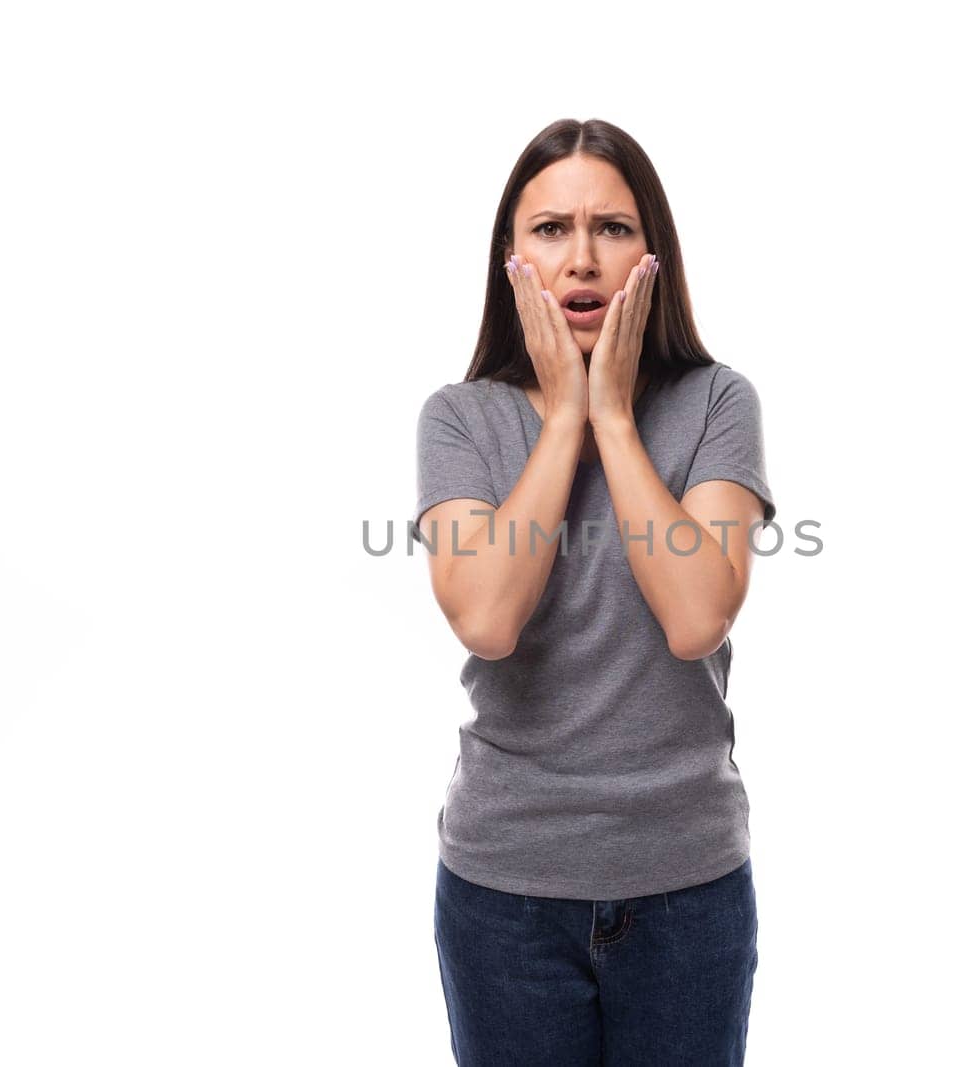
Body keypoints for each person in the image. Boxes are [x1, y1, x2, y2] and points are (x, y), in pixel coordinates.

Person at [414, 117, 776, 1065]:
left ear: (651, 251)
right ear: (511, 259)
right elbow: (488, 618)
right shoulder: (460, 419)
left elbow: (698, 615)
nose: (582, 259)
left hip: (689, 889)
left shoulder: (717, 405)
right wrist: (564, 411)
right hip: (506, 895)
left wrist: (612, 414)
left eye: (612, 228)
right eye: (551, 229)